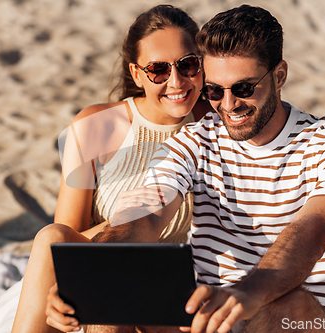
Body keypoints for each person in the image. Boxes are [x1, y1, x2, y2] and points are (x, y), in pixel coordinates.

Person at [46, 4, 325, 333]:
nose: (228, 105)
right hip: (205, 319)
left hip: (290, 317)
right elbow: (146, 212)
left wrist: (246, 292)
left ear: (279, 75)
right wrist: (89, 271)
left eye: (244, 88)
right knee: (113, 283)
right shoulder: (196, 138)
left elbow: (310, 232)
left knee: (285, 303)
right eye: (215, 90)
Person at [11, 5, 209, 333]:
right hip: (112, 273)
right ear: (136, 73)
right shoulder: (97, 125)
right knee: (51, 237)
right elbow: (67, 236)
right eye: (158, 70)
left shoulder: (217, 124)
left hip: (183, 297)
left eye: (188, 65)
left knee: (116, 281)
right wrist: (126, 237)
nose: (176, 81)